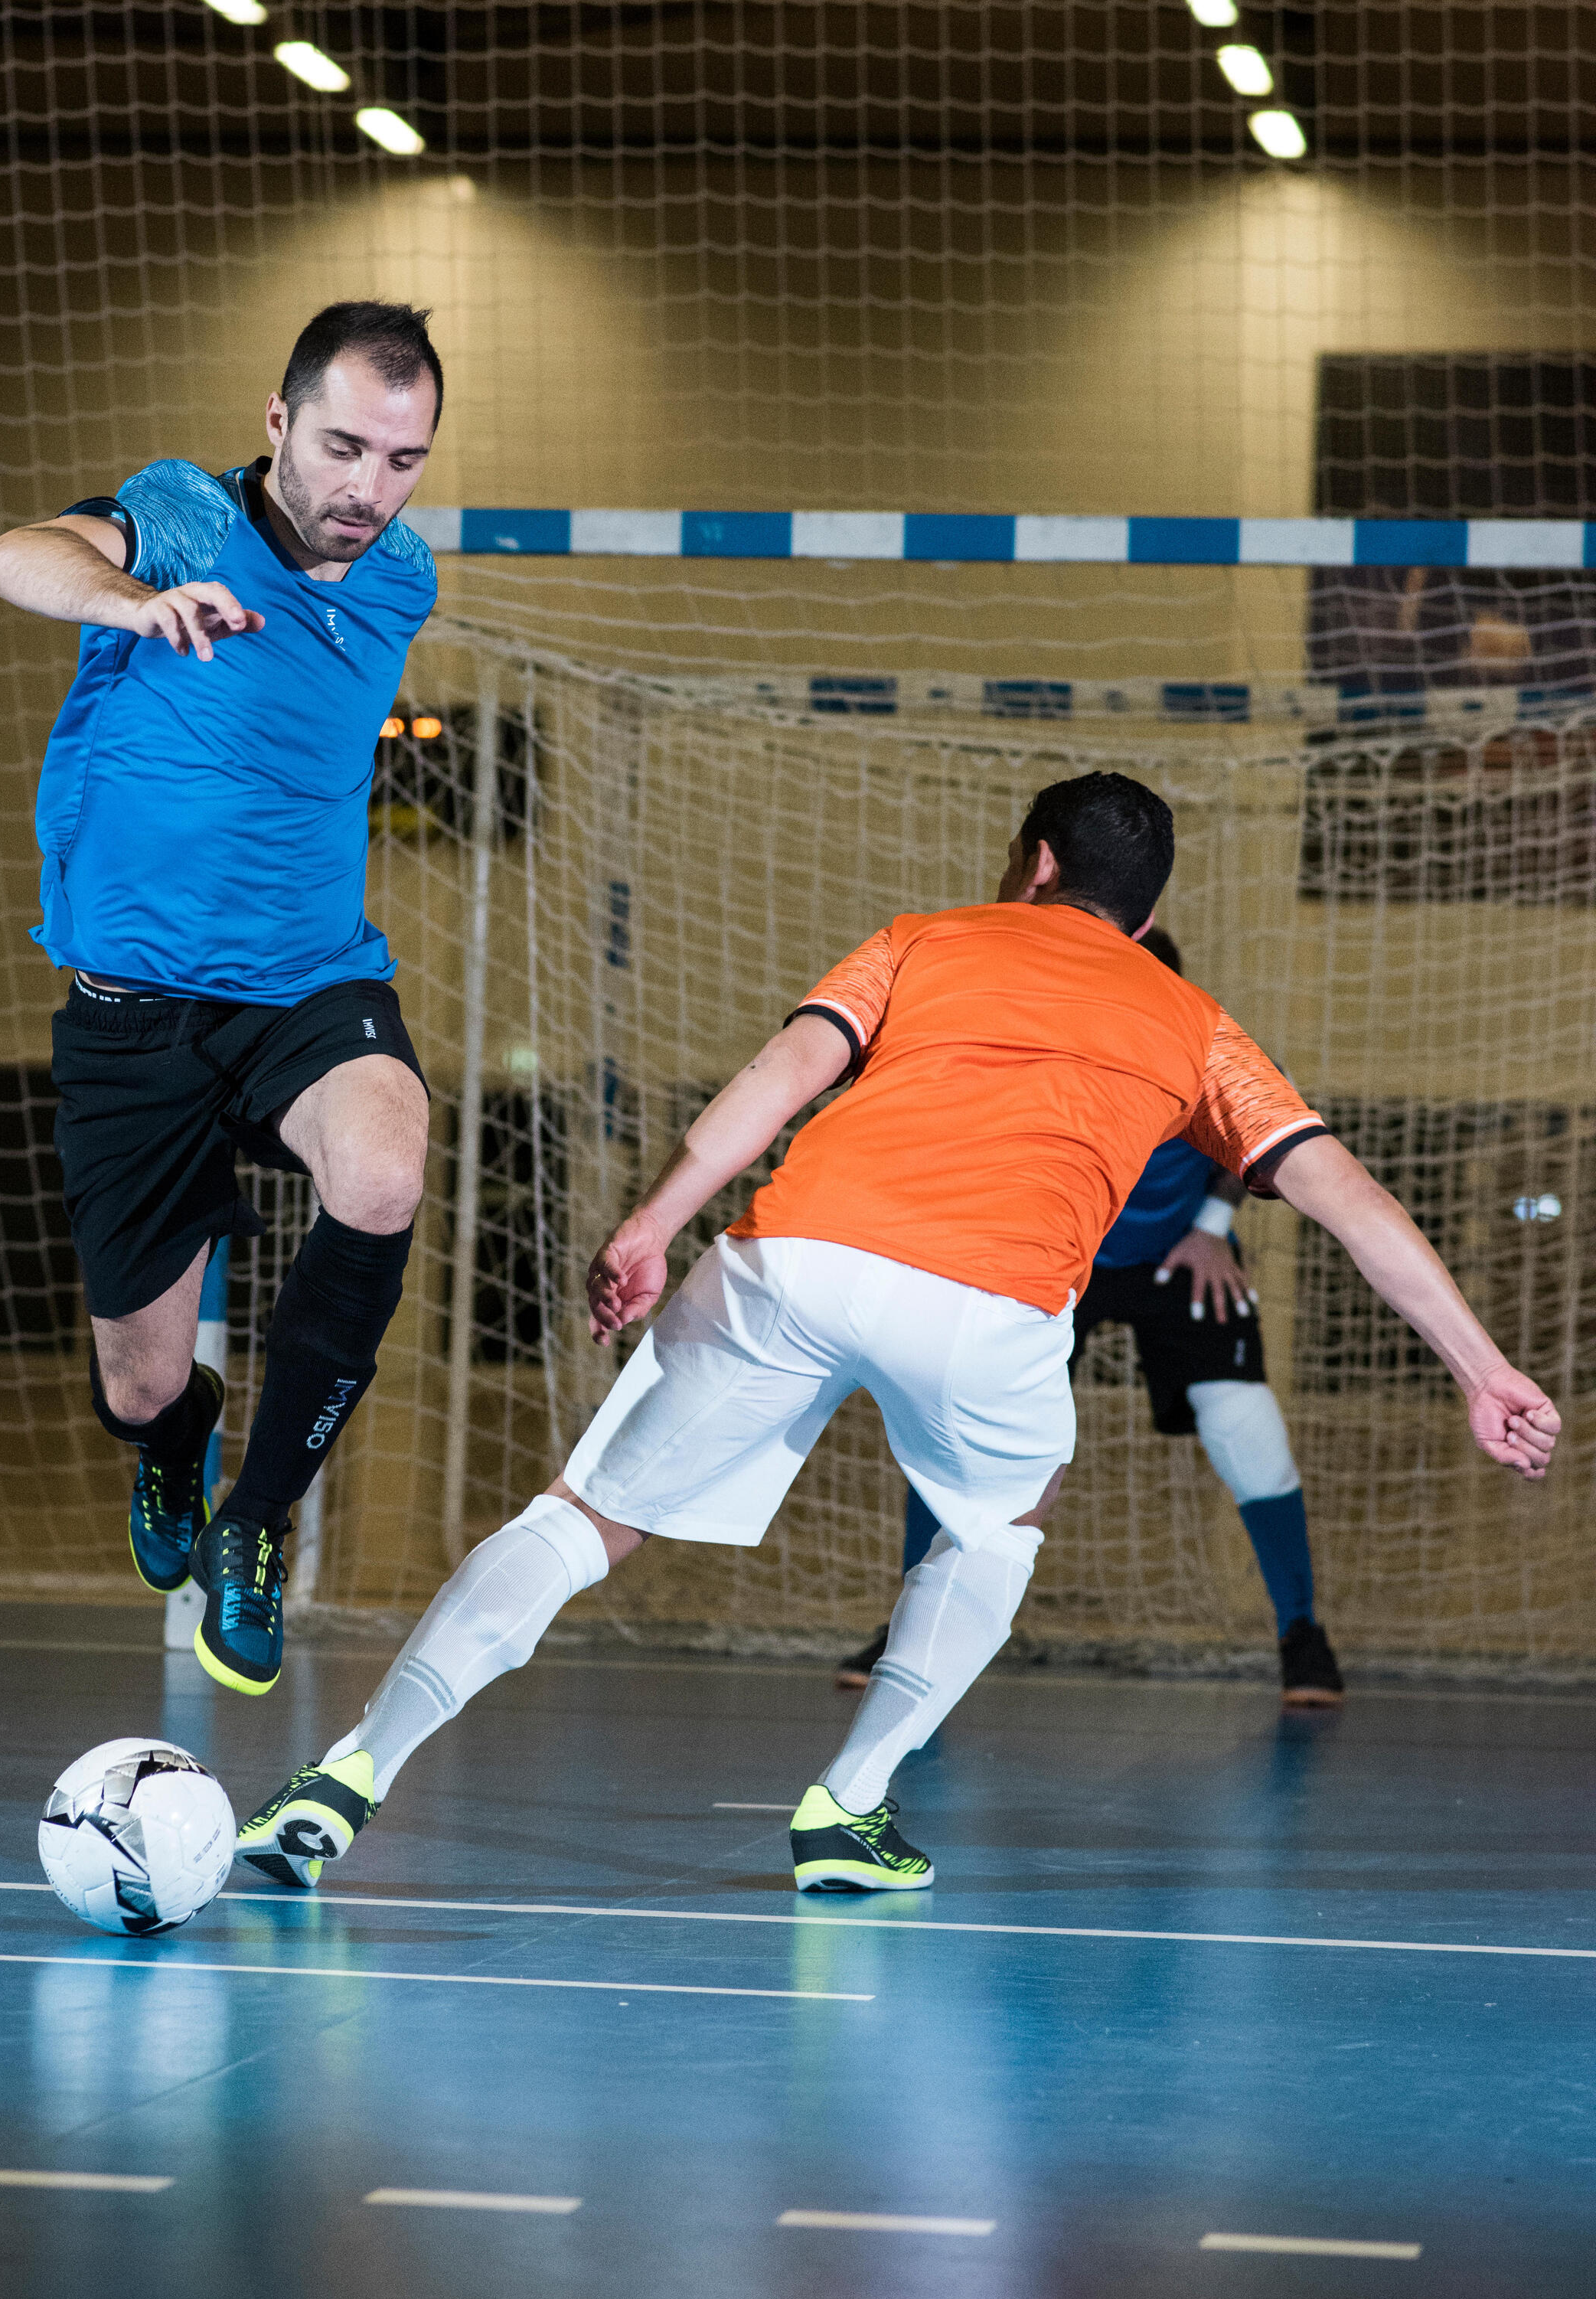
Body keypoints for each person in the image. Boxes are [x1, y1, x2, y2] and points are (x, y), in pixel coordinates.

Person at [236, 772, 1557, 1891]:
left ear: (1034, 865)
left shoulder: (921, 938)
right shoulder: (1199, 1024)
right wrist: (1483, 1366)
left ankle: (350, 1771)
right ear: (1148, 911)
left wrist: (653, 1221)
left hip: (792, 1259)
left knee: (582, 1517)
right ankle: (848, 1804)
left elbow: (779, 1076)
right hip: (988, 1310)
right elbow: (1351, 1199)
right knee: (1007, 1512)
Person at [0, 301, 443, 1696]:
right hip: (130, 1011)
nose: (370, 489)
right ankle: (179, 1440)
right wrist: (132, 599)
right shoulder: (180, 514)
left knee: (385, 1164)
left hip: (306, 986)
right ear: (280, 425)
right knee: (136, 1384)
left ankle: (258, 1518)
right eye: (347, 446)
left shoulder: (401, 578)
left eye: (407, 459)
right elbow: (13, 556)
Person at [836, 925, 1346, 1710]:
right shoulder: (1045, 1040)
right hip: (1057, 1255)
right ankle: (911, 1626)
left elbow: (1274, 1133)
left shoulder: (1205, 1036)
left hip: (1181, 1254)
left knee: (1243, 1423)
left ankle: (1303, 1631)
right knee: (965, 1427)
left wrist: (1212, 1227)